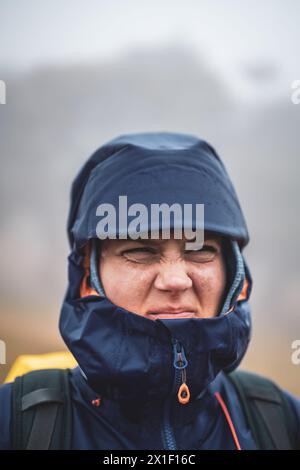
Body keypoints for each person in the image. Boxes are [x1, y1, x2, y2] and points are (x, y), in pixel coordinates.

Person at [0, 131, 299, 450]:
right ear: (88, 274)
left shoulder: (283, 424)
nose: (175, 280)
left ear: (234, 274)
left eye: (200, 250)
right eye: (140, 251)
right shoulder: (13, 425)